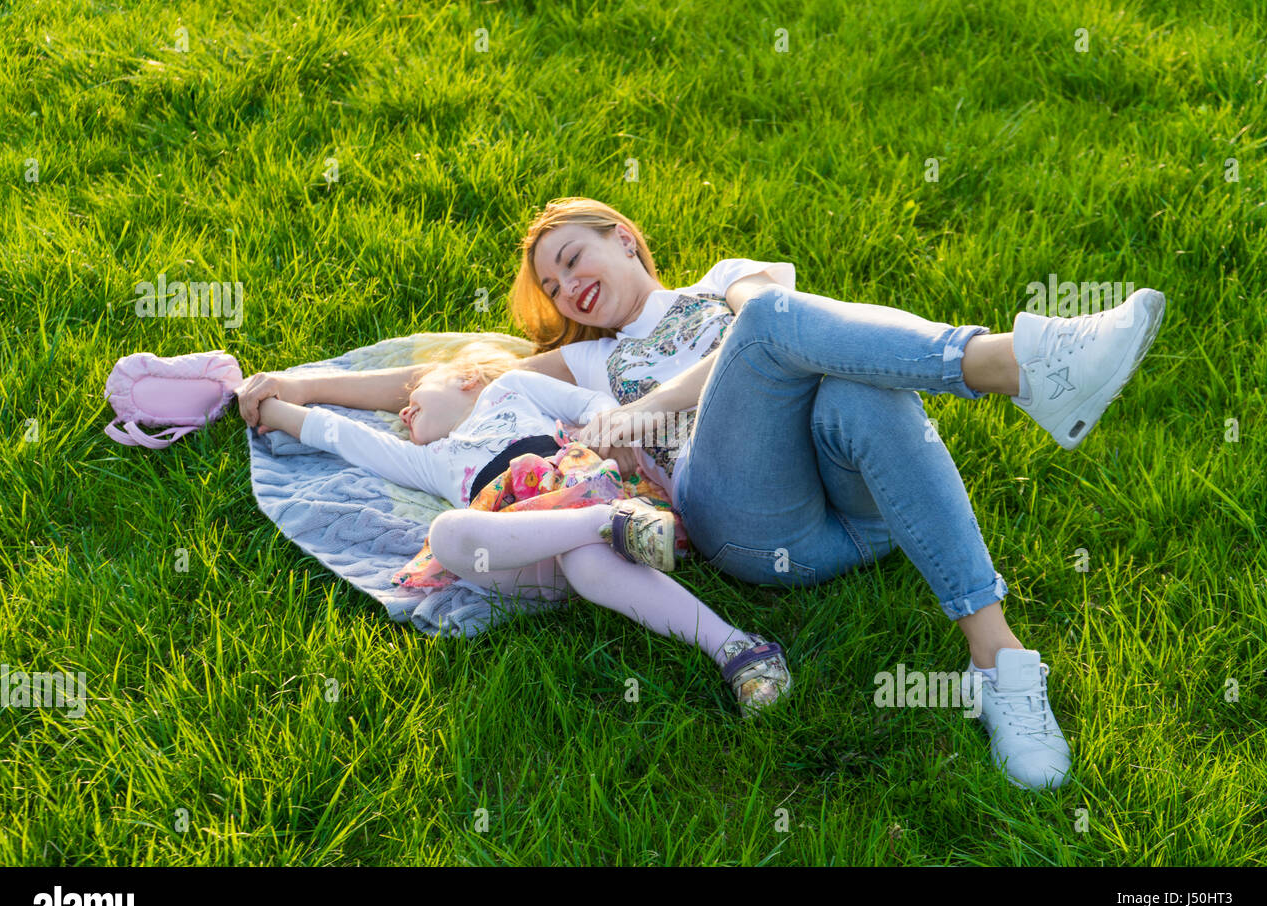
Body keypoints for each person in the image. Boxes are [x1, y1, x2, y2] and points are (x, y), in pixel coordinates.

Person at [238, 197, 1164, 790]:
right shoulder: (586, 360)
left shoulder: (728, 285)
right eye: (552, 284)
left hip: (867, 495)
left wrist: (649, 411)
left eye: (572, 256)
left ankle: (998, 665)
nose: (566, 285)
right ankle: (1023, 367)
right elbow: (448, 378)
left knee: (841, 377)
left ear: (625, 238)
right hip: (755, 527)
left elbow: (762, 335)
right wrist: (297, 387)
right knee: (784, 336)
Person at [239, 342, 794, 715]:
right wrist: (277, 409)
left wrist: (608, 433)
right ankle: (611, 525)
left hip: (576, 491)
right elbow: (345, 439)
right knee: (451, 534)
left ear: (464, 378)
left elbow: (596, 404)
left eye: (411, 401)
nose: (404, 415)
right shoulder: (433, 460)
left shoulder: (512, 389)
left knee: (588, 561)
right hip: (533, 553)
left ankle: (738, 650)